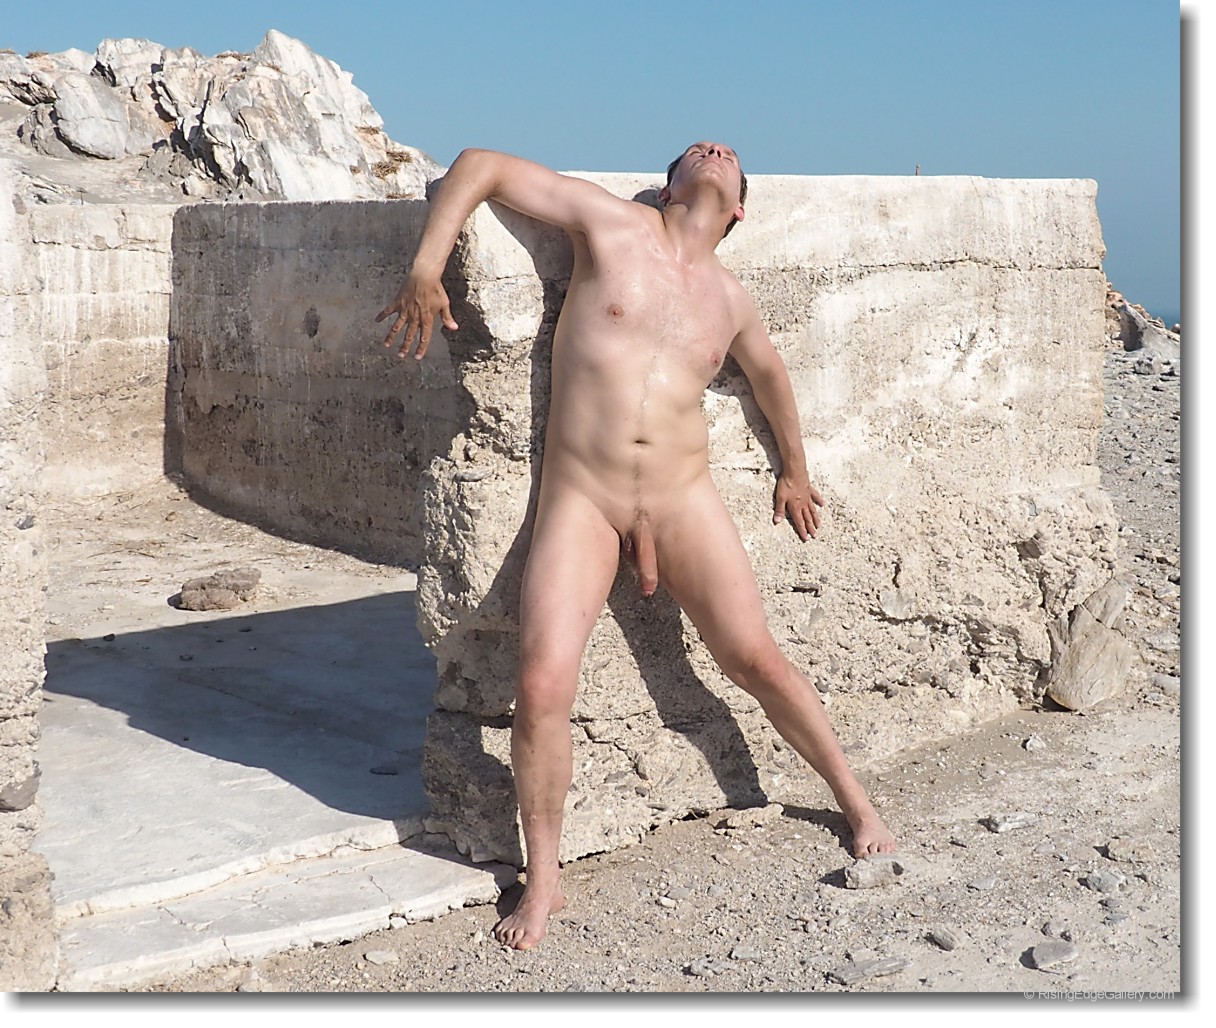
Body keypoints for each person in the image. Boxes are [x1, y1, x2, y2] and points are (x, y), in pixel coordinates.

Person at [377, 142, 895, 951]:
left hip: (684, 500)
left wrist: (794, 470)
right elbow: (479, 166)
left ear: (739, 209)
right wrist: (425, 266)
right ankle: (544, 878)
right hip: (583, 498)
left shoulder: (729, 299)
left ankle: (855, 802)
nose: (715, 149)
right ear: (668, 184)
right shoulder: (610, 224)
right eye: (699, 148)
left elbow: (769, 375)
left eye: (729, 155)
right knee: (541, 683)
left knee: (755, 658)